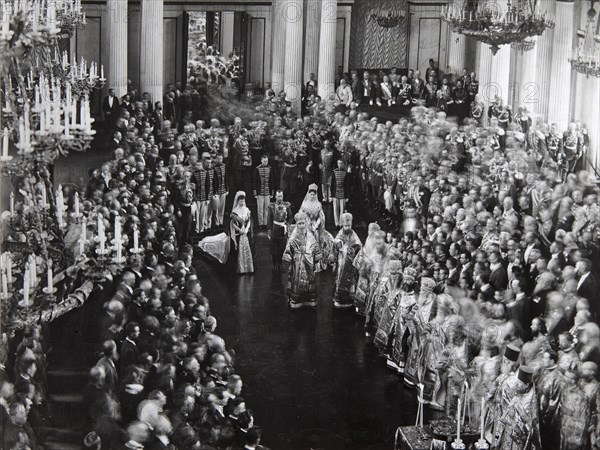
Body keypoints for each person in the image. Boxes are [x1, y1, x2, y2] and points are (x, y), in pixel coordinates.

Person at [282, 212, 322, 308]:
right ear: (296, 224)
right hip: (297, 265)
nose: (301, 226)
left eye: (303, 223)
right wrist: (287, 261)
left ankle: (309, 300)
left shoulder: (310, 236)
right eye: (299, 224)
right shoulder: (293, 237)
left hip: (309, 265)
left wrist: (317, 259)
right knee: (297, 282)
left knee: (309, 282)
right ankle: (296, 301)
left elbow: (315, 247)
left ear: (306, 224)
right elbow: (288, 250)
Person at [299, 183, 334, 272]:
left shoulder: (318, 205)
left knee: (316, 243)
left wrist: (315, 226)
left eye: (314, 194)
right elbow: (301, 216)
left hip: (315, 227)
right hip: (306, 226)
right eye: (311, 194)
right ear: (308, 194)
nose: (312, 196)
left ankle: (316, 264)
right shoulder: (304, 204)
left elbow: (321, 218)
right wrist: (307, 225)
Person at [331, 213, 362, 308]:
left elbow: (359, 245)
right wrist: (338, 244)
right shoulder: (340, 234)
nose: (347, 228)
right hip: (341, 263)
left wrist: (354, 249)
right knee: (340, 280)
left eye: (349, 226)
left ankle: (349, 300)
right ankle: (339, 300)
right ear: (342, 225)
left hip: (350, 264)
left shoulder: (354, 234)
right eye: (345, 226)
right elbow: (335, 244)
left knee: (350, 281)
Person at [268, 190, 293, 273]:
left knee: (282, 249)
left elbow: (290, 217)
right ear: (275, 196)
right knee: (274, 249)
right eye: (278, 196)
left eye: (281, 196)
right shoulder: (271, 206)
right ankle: (275, 265)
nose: (280, 198)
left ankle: (280, 264)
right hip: (275, 230)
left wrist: (287, 224)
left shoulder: (287, 205)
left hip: (283, 230)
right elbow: (269, 220)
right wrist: (269, 231)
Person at [229, 191, 254, 274]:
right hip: (239, 233)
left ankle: (248, 268)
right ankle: (241, 269)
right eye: (240, 201)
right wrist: (239, 230)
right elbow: (232, 223)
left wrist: (246, 229)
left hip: (246, 233)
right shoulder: (234, 211)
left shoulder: (246, 209)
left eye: (243, 201)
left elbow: (249, 221)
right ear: (237, 201)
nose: (242, 202)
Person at [254, 155, 274, 230]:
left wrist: (272, 192)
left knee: (267, 208)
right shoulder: (257, 169)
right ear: (261, 161)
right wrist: (255, 193)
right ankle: (261, 224)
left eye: (267, 161)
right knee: (260, 209)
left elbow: (272, 181)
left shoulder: (270, 168)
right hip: (260, 192)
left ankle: (266, 223)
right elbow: (255, 182)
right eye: (264, 161)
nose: (266, 162)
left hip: (267, 192)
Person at [331, 159, 351, 227]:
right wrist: (331, 194)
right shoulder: (334, 172)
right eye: (338, 163)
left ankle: (341, 223)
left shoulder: (346, 173)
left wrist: (347, 195)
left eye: (341, 163)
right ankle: (336, 224)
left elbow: (347, 185)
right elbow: (332, 184)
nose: (339, 165)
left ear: (343, 164)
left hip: (343, 193)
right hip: (335, 193)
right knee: (335, 209)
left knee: (342, 210)